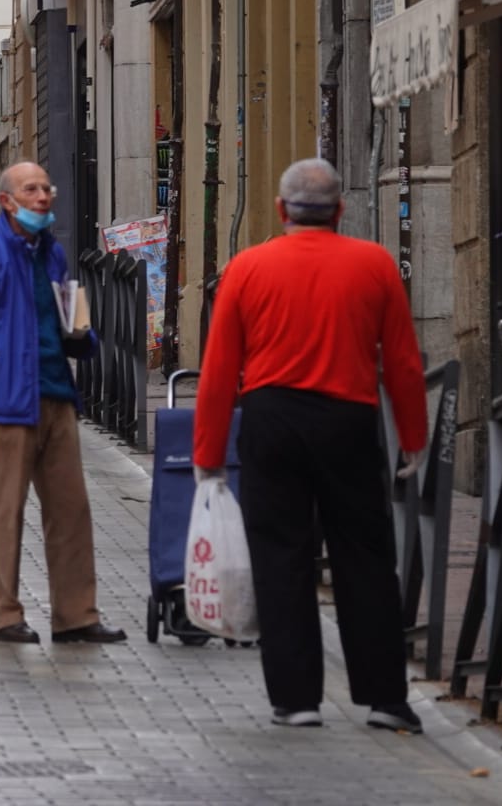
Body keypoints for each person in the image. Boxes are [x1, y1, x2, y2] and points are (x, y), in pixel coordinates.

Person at [193, 158, 427, 733]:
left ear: (280, 211)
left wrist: (208, 454)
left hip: (271, 420)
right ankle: (385, 700)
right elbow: (401, 361)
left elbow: (219, 368)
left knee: (281, 557)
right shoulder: (374, 265)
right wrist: (414, 441)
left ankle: (295, 699)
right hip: (349, 418)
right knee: (365, 558)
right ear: (340, 211)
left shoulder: (247, 269)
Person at [0, 162, 126, 645]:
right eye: (31, 189)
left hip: (56, 395)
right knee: (5, 513)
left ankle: (76, 615)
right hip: (5, 405)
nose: (43, 196)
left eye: (47, 187)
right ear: (7, 201)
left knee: (71, 511)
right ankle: (5, 616)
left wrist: (83, 332)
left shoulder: (53, 255)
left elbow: (71, 316)